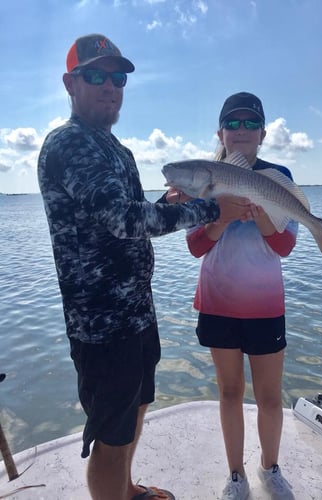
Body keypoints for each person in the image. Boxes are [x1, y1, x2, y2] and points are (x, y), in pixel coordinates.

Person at [37, 35, 252, 500]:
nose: (110, 86)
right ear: (70, 83)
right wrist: (213, 210)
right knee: (111, 438)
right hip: (101, 325)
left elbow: (134, 214)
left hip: (137, 312)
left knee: (137, 408)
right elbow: (124, 220)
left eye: (118, 77)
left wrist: (169, 203)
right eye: (96, 75)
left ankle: (128, 491)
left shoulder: (116, 150)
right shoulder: (69, 145)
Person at [185, 92, 298, 500]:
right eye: (233, 123)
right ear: (221, 132)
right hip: (218, 303)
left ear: (263, 133)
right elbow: (196, 247)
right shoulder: (203, 179)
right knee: (229, 393)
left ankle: (270, 467)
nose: (242, 130)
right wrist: (223, 216)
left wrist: (264, 215)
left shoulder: (278, 176)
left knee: (269, 397)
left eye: (251, 123)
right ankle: (236, 475)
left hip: (265, 306)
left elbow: (284, 247)